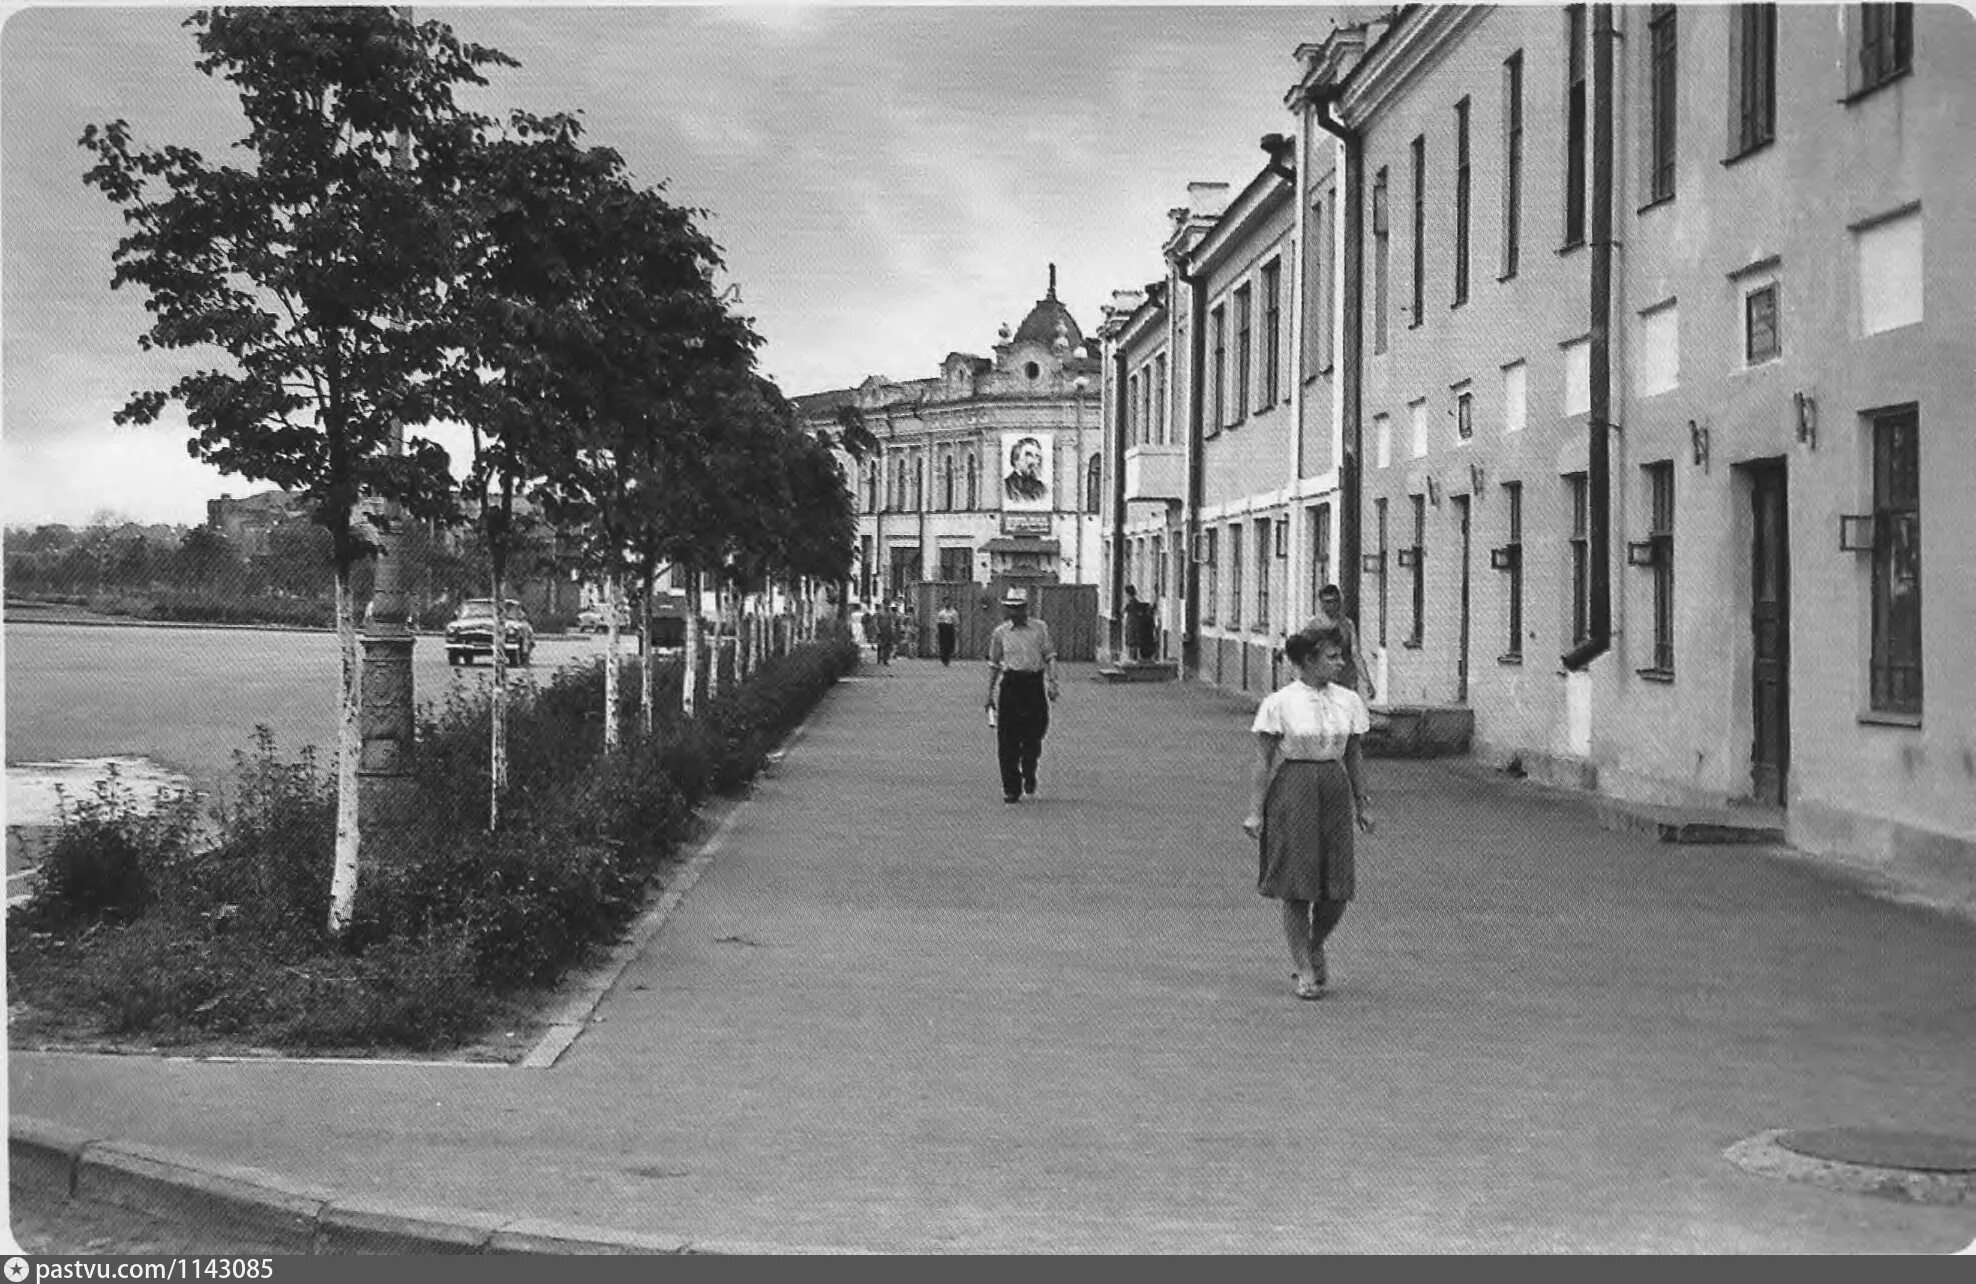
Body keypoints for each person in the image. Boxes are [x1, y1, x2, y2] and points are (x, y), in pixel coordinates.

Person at [1242, 623, 1374, 1000]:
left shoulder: (1348, 701)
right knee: (1297, 885)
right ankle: (1303, 967)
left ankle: (1315, 943)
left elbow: (1354, 754)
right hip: (1294, 789)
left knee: (1337, 888)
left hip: (1333, 786)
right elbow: (1263, 760)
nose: (1340, 662)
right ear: (1308, 660)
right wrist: (1255, 812)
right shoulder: (1280, 703)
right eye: (1331, 656)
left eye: (1340, 655)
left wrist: (1361, 803)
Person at [985, 586, 1060, 803]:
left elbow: (1050, 656)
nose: (1014, 613)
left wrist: (1052, 682)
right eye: (1010, 608)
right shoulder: (1000, 633)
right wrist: (989, 693)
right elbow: (994, 663)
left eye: (1018, 608)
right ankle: (1011, 786)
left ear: (1026, 609)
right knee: (1007, 739)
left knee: (1035, 731)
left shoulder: (1039, 628)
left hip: (1033, 684)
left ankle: (1029, 767)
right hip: (1011, 685)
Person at [1307, 582, 1376, 704]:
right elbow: (1307, 656)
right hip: (1324, 680)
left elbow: (1356, 654)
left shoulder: (1347, 625)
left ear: (1340, 602)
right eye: (1327, 602)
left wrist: (1366, 680)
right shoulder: (1314, 625)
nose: (1332, 606)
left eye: (1335, 601)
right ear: (1321, 604)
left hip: (1345, 679)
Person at [1003, 437, 1048, 504]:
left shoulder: (1041, 488)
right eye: (1028, 455)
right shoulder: (1004, 487)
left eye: (1037, 456)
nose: (1034, 461)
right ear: (1016, 460)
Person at [1122, 584, 1156, 662]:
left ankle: (1132, 660)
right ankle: (1134, 659)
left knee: (1132, 644)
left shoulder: (1131, 604)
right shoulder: (1136, 603)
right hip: (1136, 627)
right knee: (1134, 643)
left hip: (1132, 627)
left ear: (1127, 594)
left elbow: (1123, 611)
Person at [935, 599, 960, 666]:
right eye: (945, 602)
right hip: (943, 628)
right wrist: (937, 630)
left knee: (949, 644)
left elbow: (956, 622)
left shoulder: (954, 612)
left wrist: (956, 629)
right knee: (942, 644)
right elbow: (938, 621)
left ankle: (947, 658)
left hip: (950, 628)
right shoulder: (941, 612)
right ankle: (943, 658)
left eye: (948, 602)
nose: (947, 603)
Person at [874, 601, 896, 666]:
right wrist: (878, 631)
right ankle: (879, 659)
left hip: (888, 631)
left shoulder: (890, 613)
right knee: (880, 646)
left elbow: (892, 622)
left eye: (888, 604)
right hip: (881, 631)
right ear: (883, 605)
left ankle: (885, 660)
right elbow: (875, 623)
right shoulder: (879, 613)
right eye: (885, 604)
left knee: (888, 646)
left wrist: (893, 631)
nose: (887, 606)